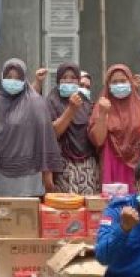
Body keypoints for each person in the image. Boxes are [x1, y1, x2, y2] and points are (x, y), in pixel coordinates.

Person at [0, 58, 63, 196]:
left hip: (30, 177)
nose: (13, 81)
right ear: (2, 77)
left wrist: (48, 177)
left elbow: (44, 140)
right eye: (9, 77)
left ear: (24, 79)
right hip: (0, 176)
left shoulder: (36, 103)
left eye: (18, 77)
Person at [90, 64, 140, 188]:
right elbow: (98, 141)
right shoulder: (102, 105)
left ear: (130, 81)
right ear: (108, 85)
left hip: (138, 165)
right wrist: (103, 114)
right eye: (114, 82)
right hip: (111, 164)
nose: (119, 85)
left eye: (123, 81)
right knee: (113, 203)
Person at [46, 62, 100, 194]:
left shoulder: (85, 102)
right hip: (62, 166)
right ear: (58, 80)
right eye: (64, 77)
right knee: (66, 210)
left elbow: (92, 134)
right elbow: (53, 133)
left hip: (87, 166)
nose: (69, 81)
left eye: (73, 78)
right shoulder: (51, 101)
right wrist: (71, 110)